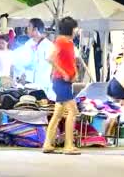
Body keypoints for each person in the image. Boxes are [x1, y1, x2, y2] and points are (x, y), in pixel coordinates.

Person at [43, 17, 80, 155]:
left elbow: (70, 61)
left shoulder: (69, 43)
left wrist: (74, 73)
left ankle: (47, 144)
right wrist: (63, 72)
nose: (77, 30)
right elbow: (49, 58)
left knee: (58, 114)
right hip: (60, 81)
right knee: (73, 111)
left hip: (66, 81)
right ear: (71, 28)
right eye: (75, 28)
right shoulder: (60, 41)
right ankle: (68, 145)